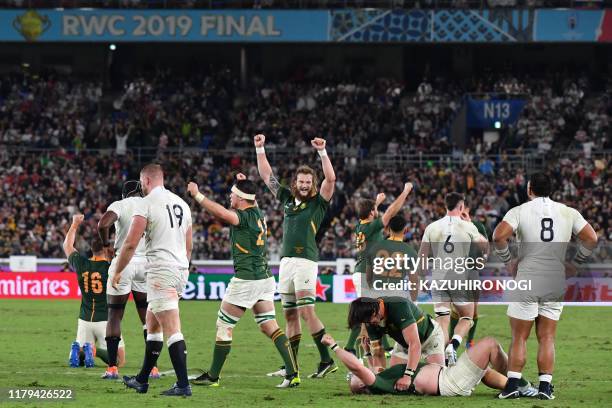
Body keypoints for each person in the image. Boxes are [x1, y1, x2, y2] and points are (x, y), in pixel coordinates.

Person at [187, 174, 299, 388]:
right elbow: (250, 197)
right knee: (269, 326)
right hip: (265, 278)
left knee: (224, 325)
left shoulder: (242, 216)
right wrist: (244, 180)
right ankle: (293, 373)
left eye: (232, 194)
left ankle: (213, 376)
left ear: (240, 198)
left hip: (246, 280)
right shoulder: (257, 212)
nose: (230, 197)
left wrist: (198, 195)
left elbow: (221, 213)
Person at [493, 172, 598, 400]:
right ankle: (545, 388)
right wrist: (575, 264)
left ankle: (512, 386)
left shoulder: (520, 211)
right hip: (554, 279)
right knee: (547, 337)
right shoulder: (568, 212)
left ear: (530, 189)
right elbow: (591, 238)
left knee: (519, 336)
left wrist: (508, 262)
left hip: (528, 276)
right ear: (550, 189)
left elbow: (499, 236)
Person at [255, 134, 338, 378]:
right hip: (286, 262)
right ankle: (291, 364)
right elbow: (266, 176)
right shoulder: (287, 199)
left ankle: (326, 361)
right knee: (290, 314)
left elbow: (331, 179)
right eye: (300, 181)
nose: (303, 185)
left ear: (312, 184)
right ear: (295, 182)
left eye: (307, 182)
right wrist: (260, 149)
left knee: (306, 312)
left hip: (305, 262)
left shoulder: (318, 203)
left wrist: (322, 152)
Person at [115, 164, 193, 397]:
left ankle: (182, 384)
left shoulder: (145, 203)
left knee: (172, 329)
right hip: (180, 269)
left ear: (146, 181)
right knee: (152, 322)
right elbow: (189, 246)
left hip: (161, 270)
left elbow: (130, 243)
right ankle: (142, 379)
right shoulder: (183, 204)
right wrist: (182, 268)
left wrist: (118, 270)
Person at [322, 332, 535, 397]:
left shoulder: (383, 379)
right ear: (363, 385)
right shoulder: (377, 384)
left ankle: (514, 388)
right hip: (448, 382)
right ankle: (521, 385)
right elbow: (358, 368)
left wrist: (368, 351)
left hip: (447, 377)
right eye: (357, 377)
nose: (363, 371)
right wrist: (335, 347)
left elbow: (371, 367)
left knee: (483, 370)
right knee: (490, 345)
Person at [416, 192, 488, 366]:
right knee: (467, 317)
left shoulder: (432, 227)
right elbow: (484, 246)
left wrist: (422, 278)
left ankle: (440, 362)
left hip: (439, 277)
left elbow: (422, 256)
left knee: (442, 319)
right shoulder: (468, 226)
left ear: (445, 205)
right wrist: (471, 224)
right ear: (461, 207)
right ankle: (454, 345)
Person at [98, 180, 158, 380]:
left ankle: (113, 368)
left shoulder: (120, 205)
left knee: (115, 315)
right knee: (147, 316)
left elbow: (103, 223)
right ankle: (153, 368)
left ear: (125, 194)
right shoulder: (150, 205)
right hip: (146, 264)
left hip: (124, 262)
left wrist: (106, 246)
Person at [345, 183, 413, 354]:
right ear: (371, 213)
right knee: (367, 315)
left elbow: (371, 214)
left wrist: (376, 202)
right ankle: (351, 349)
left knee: (376, 310)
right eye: (375, 211)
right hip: (365, 274)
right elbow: (390, 213)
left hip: (364, 272)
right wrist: (404, 192)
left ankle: (383, 346)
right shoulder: (371, 226)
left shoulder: (361, 225)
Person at [63, 214, 125, 369]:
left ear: (91, 249)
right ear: (106, 248)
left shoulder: (80, 263)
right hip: (105, 319)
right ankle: (93, 350)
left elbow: (67, 246)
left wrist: (75, 224)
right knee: (119, 361)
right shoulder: (111, 268)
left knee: (80, 356)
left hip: (84, 319)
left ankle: (79, 352)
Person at [348, 296, 445, 380]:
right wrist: (379, 379)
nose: (368, 323)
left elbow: (415, 344)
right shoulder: (369, 321)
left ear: (373, 310)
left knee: (437, 380)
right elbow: (378, 354)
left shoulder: (398, 305)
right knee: (394, 379)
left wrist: (407, 376)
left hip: (430, 338)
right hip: (404, 344)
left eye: (368, 320)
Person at [449, 202, 489, 349]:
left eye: (463, 208)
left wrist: (470, 225)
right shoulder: (451, 226)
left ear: (468, 210)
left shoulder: (477, 226)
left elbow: (485, 245)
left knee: (474, 309)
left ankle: (470, 341)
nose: (461, 211)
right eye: (458, 208)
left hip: (472, 271)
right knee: (455, 309)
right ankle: (451, 342)